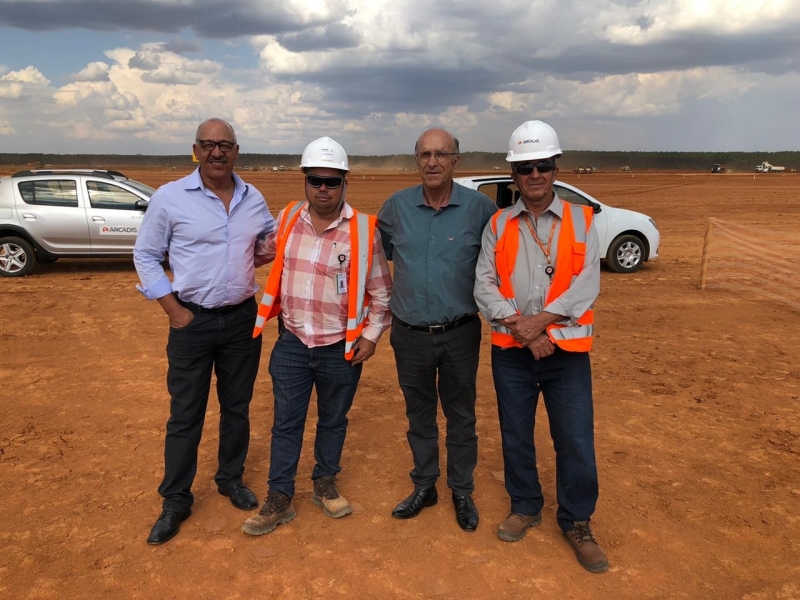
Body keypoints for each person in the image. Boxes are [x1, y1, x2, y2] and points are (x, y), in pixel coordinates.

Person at [473, 120, 608, 572]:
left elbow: (585, 286)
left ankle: (577, 520)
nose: (534, 174)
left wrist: (539, 328)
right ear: (513, 173)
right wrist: (523, 331)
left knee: (574, 439)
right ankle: (525, 505)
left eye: (543, 165)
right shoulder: (498, 224)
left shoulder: (581, 221)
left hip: (566, 355)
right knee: (516, 434)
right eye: (525, 167)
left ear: (555, 168)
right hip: (512, 354)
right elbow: (484, 286)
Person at [134, 118, 277, 545]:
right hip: (191, 320)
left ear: (237, 150)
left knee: (237, 407)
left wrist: (270, 251)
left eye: (225, 145)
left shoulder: (254, 198)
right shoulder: (170, 197)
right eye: (208, 145)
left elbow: (267, 244)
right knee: (185, 414)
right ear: (195, 149)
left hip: (241, 319)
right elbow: (145, 254)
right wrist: (173, 311)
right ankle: (175, 499)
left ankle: (230, 478)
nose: (217, 152)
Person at [242, 137, 392, 536]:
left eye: (332, 181)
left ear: (345, 183)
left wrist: (372, 337)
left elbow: (382, 293)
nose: (323, 189)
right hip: (292, 341)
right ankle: (279, 497)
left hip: (340, 348)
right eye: (315, 181)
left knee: (333, 419)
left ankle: (324, 482)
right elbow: (257, 252)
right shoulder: (289, 218)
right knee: (286, 423)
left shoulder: (363, 230)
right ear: (304, 181)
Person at [377, 128, 497, 532]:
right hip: (409, 334)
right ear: (416, 160)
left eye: (441, 155)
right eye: (425, 154)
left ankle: (461, 490)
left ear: (456, 161)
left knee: (461, 416)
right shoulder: (395, 208)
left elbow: (500, 264)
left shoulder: (481, 210)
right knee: (419, 415)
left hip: (461, 332)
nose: (432, 162)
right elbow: (377, 259)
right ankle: (425, 485)